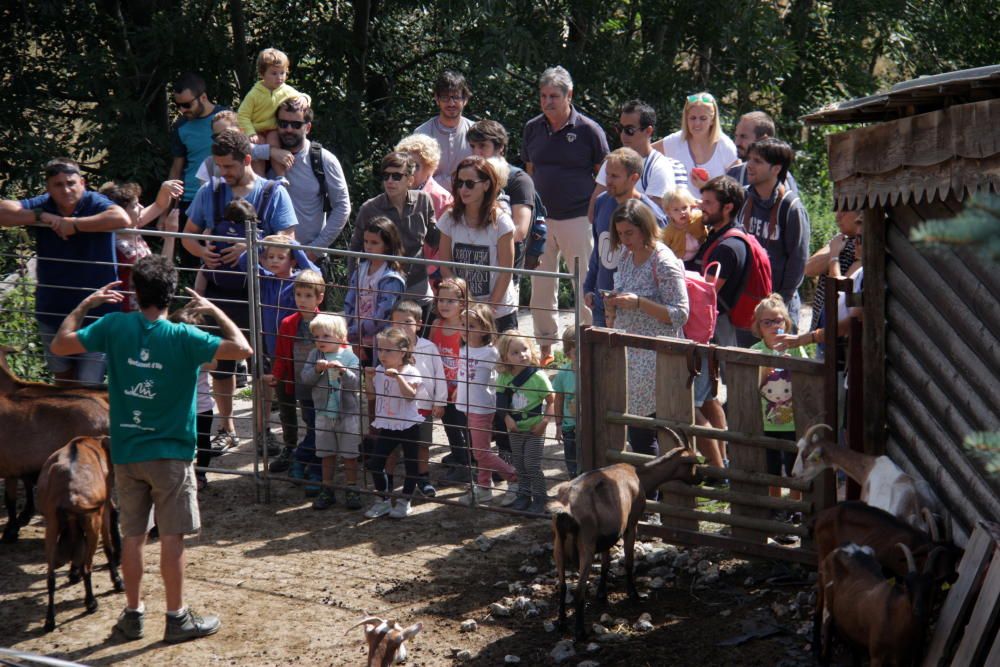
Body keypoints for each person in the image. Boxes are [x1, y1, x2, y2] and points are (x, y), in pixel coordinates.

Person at [50, 254, 252, 643]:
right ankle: (176, 618)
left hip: (127, 452)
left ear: (134, 291)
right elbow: (241, 349)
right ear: (172, 294)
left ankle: (132, 615)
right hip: (172, 454)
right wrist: (214, 310)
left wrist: (85, 304)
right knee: (172, 537)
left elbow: (61, 344)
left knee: (133, 536)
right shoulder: (185, 336)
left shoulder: (113, 325)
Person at [181, 128, 298, 453]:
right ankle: (227, 427)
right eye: (219, 166)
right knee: (221, 363)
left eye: (229, 167)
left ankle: (262, 432)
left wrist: (248, 249)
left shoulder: (274, 192)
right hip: (220, 294)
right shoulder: (211, 191)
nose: (223, 173)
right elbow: (188, 235)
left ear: (247, 160)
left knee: (262, 366)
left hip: (261, 293)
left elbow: (287, 239)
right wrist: (202, 252)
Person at [0, 158, 131, 385]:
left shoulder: (95, 202)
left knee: (88, 384)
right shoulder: (45, 204)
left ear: (83, 182)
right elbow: (3, 211)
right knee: (62, 381)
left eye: (71, 183)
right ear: (48, 188)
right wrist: (42, 216)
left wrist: (74, 224)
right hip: (53, 309)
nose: (66, 189)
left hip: (97, 314)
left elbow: (121, 217)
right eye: (58, 185)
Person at [523, 66, 609, 360]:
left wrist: (592, 211)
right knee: (541, 283)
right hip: (542, 219)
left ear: (569, 95)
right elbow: (530, 171)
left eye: (554, 96)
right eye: (543, 95)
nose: (548, 102)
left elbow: (605, 174)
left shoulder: (589, 130)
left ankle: (586, 345)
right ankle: (545, 346)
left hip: (578, 217)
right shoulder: (532, 128)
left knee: (585, 281)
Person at [604, 200, 689, 483]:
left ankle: (659, 495)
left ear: (644, 229)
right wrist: (612, 303)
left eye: (629, 233)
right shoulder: (627, 258)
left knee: (656, 433)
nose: (624, 240)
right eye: (620, 233)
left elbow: (680, 313)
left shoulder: (663, 261)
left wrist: (639, 303)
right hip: (632, 356)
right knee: (639, 433)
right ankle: (648, 497)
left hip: (657, 358)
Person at [687, 176, 750, 468]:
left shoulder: (728, 247)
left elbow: (706, 294)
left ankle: (717, 468)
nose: (701, 207)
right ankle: (724, 461)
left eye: (708, 203)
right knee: (710, 400)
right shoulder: (716, 236)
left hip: (709, 335)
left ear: (728, 207)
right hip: (710, 334)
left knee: (691, 404)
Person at [583, 148, 668, 327]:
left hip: (636, 309)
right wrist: (589, 286)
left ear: (634, 178)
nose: (608, 181)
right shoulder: (601, 202)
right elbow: (599, 249)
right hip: (603, 303)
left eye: (615, 176)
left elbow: (663, 262)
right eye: (607, 175)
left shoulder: (650, 214)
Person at [736, 138, 810, 333]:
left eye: (758, 161)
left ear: (776, 169)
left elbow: (798, 261)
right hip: (746, 306)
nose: (749, 165)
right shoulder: (742, 198)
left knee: (778, 363)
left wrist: (778, 304)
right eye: (749, 159)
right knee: (743, 362)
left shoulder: (791, 208)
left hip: (778, 311)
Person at [436, 156, 518, 331]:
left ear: (486, 185)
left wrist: (487, 309)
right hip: (461, 312)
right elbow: (444, 265)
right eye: (459, 183)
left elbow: (506, 271)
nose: (463, 189)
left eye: (470, 184)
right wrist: (462, 302)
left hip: (498, 312)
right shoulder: (449, 219)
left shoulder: (501, 222)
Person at [350, 152, 435, 314]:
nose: (390, 181)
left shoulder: (424, 201)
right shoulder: (370, 208)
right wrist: (353, 289)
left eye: (396, 176)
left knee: (416, 337)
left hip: (417, 285)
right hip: (382, 286)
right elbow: (355, 250)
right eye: (386, 176)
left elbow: (435, 240)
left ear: (410, 179)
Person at [266, 269, 326, 489]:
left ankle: (303, 460)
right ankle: (310, 465)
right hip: (301, 383)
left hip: (324, 385)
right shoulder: (288, 323)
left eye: (308, 295)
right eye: (299, 295)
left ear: (320, 297)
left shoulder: (328, 323)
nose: (302, 300)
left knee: (319, 426)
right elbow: (282, 355)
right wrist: (277, 375)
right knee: (312, 423)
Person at [749, 295, 806, 521]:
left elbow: (806, 374)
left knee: (794, 465)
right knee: (770, 466)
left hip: (793, 420)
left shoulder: (794, 349)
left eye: (779, 321)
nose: (774, 326)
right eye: (767, 322)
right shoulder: (754, 351)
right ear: (758, 327)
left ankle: (795, 506)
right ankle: (774, 506)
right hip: (767, 420)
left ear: (787, 323)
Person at [272, 97, 351, 257]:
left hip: (309, 259)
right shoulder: (265, 158)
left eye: (295, 125)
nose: (288, 129)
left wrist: (314, 250)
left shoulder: (323, 159)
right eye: (283, 123)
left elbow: (342, 207)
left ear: (307, 127)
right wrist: (269, 152)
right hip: (270, 258)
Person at [455, 303, 517, 505]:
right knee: (480, 448)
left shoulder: (491, 353)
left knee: (480, 452)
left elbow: (503, 375)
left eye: (471, 326)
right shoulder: (464, 349)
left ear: (485, 330)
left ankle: (514, 477)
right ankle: (484, 487)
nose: (464, 329)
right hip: (466, 405)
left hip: (482, 407)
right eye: (463, 324)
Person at [301, 314, 363, 510]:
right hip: (323, 414)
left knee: (349, 453)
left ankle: (352, 488)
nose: (320, 341)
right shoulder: (314, 356)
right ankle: (327, 489)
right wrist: (317, 371)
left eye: (326, 336)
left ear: (340, 337)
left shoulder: (350, 356)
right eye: (317, 336)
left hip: (347, 414)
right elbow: (305, 379)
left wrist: (344, 371)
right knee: (326, 453)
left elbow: (355, 384)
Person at [363, 328, 425, 519]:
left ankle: (405, 500)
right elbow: (371, 395)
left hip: (408, 425)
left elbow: (410, 396)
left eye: (388, 351)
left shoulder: (410, 371)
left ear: (403, 352)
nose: (382, 355)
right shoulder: (380, 370)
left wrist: (398, 378)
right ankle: (382, 500)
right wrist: (368, 378)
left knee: (411, 465)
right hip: (388, 424)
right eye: (380, 350)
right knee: (375, 462)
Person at [590, 100, 688, 216]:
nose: (623, 135)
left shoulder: (658, 167)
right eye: (620, 129)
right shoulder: (612, 162)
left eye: (629, 130)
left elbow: (656, 218)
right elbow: (593, 212)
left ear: (648, 131)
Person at [98, 180, 183, 312]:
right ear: (121, 213)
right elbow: (161, 272)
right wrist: (171, 234)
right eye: (135, 205)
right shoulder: (113, 240)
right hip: (127, 312)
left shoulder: (132, 226)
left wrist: (164, 188)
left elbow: (159, 206)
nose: (142, 207)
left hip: (141, 309)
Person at [467, 120, 539, 269]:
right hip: (469, 264)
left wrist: (482, 241)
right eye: (472, 146)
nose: (476, 152)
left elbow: (519, 231)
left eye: (482, 146)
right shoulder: (468, 177)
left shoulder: (519, 180)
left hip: (505, 269)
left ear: (500, 147)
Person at [496, 330, 555, 514]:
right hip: (515, 429)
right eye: (515, 352)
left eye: (524, 349)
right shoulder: (504, 378)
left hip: (534, 428)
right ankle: (523, 493)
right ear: (505, 357)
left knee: (532, 464)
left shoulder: (538, 377)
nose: (522, 355)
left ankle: (540, 497)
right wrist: (506, 418)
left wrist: (544, 422)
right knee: (519, 464)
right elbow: (501, 404)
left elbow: (552, 401)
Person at [236, 48, 311, 176]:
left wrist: (304, 99)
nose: (279, 78)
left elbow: (302, 96)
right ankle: (260, 178)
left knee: (274, 143)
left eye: (283, 73)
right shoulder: (254, 94)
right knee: (258, 147)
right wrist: (250, 132)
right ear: (262, 73)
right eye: (274, 73)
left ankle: (280, 177)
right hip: (256, 130)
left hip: (272, 129)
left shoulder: (285, 90)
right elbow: (242, 115)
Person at [345, 217, 407, 366]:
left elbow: (382, 316)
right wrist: (352, 335)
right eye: (366, 241)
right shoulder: (360, 269)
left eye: (374, 243)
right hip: (356, 338)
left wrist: (355, 332)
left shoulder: (391, 278)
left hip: (380, 343)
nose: (368, 247)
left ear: (387, 245)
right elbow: (349, 302)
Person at [429, 277, 473, 484]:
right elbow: (429, 353)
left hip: (462, 389)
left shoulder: (466, 330)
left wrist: (461, 386)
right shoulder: (436, 324)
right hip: (442, 389)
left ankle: (466, 464)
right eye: (441, 300)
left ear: (462, 303)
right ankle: (460, 456)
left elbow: (471, 360)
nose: (444, 305)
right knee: (449, 426)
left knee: (464, 427)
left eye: (450, 301)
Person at [169, 73, 228, 225]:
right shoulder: (181, 126)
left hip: (222, 197)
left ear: (203, 97)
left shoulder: (226, 119)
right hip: (190, 200)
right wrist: (166, 211)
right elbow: (176, 169)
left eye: (187, 105)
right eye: (178, 105)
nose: (182, 110)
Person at [652, 92, 738, 197]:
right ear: (686, 119)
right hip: (681, 211)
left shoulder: (725, 146)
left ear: (712, 120)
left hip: (715, 212)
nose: (697, 123)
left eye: (703, 118)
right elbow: (644, 153)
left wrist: (707, 187)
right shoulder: (676, 141)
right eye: (692, 118)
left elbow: (737, 189)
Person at [414, 70, 474, 189]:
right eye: (445, 98)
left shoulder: (476, 132)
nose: (451, 103)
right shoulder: (421, 134)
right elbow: (415, 177)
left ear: (465, 99)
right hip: (430, 203)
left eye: (456, 97)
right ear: (437, 99)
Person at [195, 110, 287, 185]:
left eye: (228, 133)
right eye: (217, 136)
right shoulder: (208, 165)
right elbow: (206, 199)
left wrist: (275, 152)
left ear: (241, 131)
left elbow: (255, 149)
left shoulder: (256, 153)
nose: (222, 138)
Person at [806, 209, 862, 331]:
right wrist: (835, 250)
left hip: (840, 327)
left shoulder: (862, 247)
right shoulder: (840, 240)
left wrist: (834, 255)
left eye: (845, 211)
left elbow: (840, 289)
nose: (838, 217)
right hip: (823, 321)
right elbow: (808, 268)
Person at [727, 111, 799, 194]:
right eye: (736, 136)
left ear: (763, 140)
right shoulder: (734, 174)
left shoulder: (781, 178)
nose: (737, 143)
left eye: (743, 136)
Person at [395, 133, 454, 218]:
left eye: (415, 166)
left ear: (429, 167)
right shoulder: (394, 189)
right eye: (404, 165)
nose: (408, 171)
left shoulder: (442, 199)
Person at [552, 326, 578, 478]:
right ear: (568, 354)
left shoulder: (594, 370)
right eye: (577, 352)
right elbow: (558, 400)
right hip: (570, 427)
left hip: (588, 426)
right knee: (572, 462)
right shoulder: (562, 374)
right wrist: (558, 425)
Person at [661, 187, 707, 262]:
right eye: (676, 210)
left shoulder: (699, 217)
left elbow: (708, 211)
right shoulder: (669, 230)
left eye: (684, 207)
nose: (682, 212)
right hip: (681, 260)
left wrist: (699, 203)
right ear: (669, 213)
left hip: (701, 252)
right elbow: (664, 248)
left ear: (691, 207)